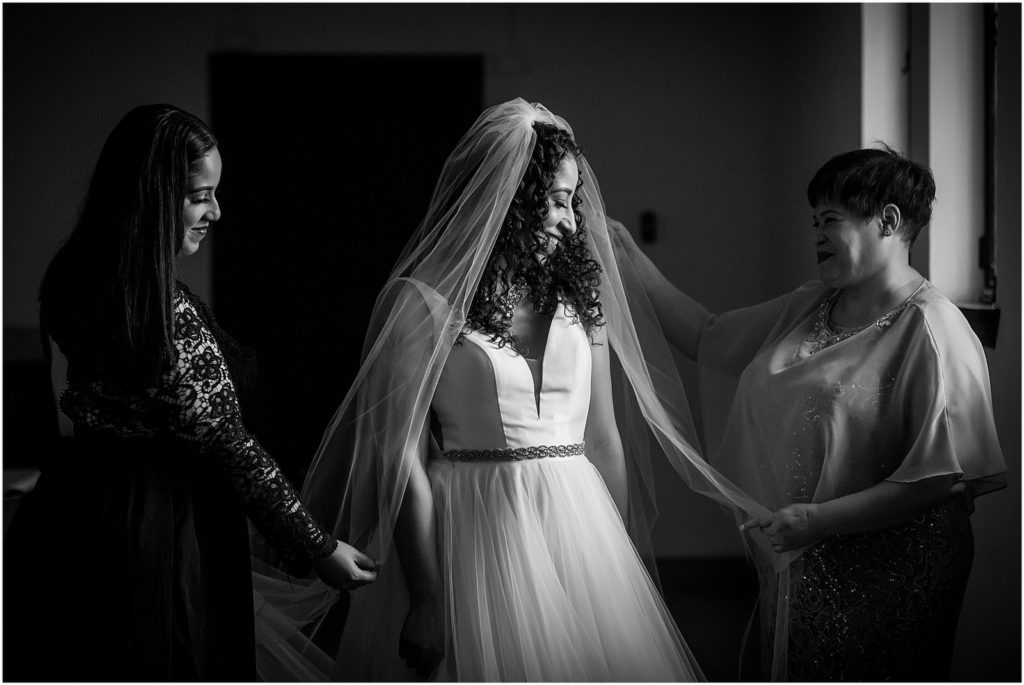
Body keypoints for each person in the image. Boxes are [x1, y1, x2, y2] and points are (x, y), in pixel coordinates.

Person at [253, 98, 786, 681]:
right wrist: (428, 597)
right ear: (508, 199)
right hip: (472, 528)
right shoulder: (422, 305)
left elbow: (603, 438)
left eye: (572, 203)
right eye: (557, 201)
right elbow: (401, 454)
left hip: (581, 528)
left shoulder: (584, 301)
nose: (570, 222)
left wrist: (621, 564)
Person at [4, 104, 378, 681]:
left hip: (78, 510)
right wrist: (317, 546)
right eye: (199, 196)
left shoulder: (72, 276)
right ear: (153, 197)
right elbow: (226, 443)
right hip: (158, 532)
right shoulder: (156, 308)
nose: (216, 212)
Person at [610, 144, 1007, 680]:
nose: (816, 234)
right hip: (803, 554)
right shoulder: (811, 303)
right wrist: (627, 255)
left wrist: (818, 522)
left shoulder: (935, 328)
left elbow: (940, 479)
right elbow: (707, 336)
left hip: (893, 568)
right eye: (814, 220)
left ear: (887, 221)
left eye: (831, 220)